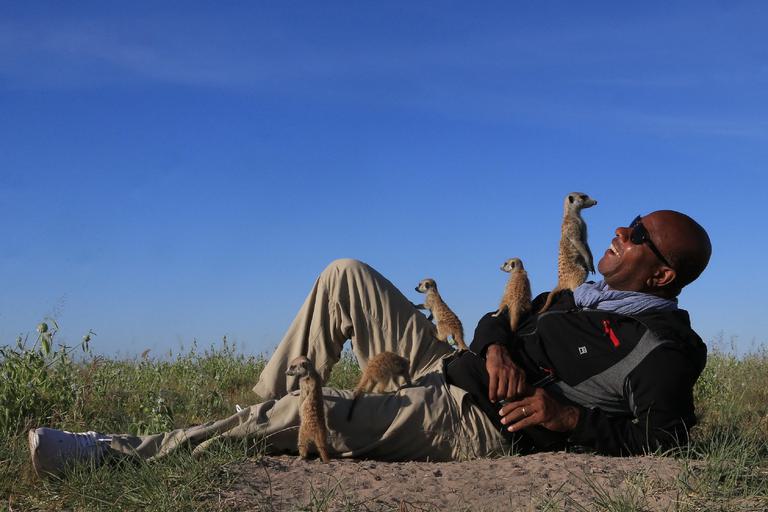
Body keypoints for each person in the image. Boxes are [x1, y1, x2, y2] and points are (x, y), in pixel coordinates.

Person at [28, 210, 711, 476]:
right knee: (344, 275)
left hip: (473, 417)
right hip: (457, 365)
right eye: (625, 224)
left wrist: (569, 419)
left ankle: (106, 458)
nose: (619, 234)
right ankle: (255, 408)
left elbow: (668, 436)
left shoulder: (663, 346)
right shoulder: (579, 294)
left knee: (309, 416)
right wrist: (497, 344)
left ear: (662, 273)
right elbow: (500, 320)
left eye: (638, 236)